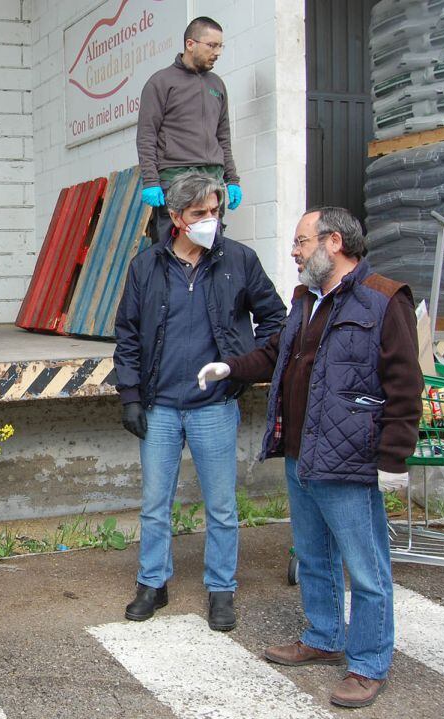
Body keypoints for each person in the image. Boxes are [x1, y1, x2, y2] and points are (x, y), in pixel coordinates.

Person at [198, 207, 422, 708]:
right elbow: (273, 354)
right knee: (314, 557)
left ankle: (368, 663)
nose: (294, 252)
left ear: (333, 242)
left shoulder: (384, 300)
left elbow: (406, 387)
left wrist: (392, 461)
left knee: (366, 569)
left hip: (351, 459)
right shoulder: (306, 300)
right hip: (301, 453)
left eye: (301, 242)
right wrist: (227, 367)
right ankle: (324, 637)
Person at [113, 172, 285, 631]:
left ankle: (221, 588)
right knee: (155, 503)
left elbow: (275, 318)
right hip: (160, 406)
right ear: (176, 218)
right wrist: (130, 395)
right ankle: (153, 583)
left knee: (222, 505)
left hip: (214, 406)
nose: (211, 220)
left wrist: (249, 366)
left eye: (215, 211)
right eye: (199, 214)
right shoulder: (146, 266)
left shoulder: (240, 261)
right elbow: (127, 334)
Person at [137, 16, 242, 244]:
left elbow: (223, 136)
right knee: (171, 248)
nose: (218, 52)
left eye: (220, 46)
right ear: (190, 44)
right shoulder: (161, 82)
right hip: (176, 176)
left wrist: (232, 179)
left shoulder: (217, 85)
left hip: (211, 176)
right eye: (212, 45)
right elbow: (147, 136)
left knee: (210, 248)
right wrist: (151, 182)